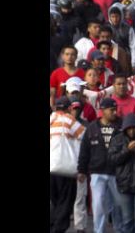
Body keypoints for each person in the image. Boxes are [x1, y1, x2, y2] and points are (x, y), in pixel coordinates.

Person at [77, 97, 123, 233]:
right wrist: (81, 170)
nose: (114, 112)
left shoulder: (122, 125)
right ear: (103, 110)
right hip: (97, 172)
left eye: (115, 109)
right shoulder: (92, 128)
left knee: (119, 205)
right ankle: (99, 231)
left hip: (117, 172)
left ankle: (119, 230)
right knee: (98, 206)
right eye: (111, 110)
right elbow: (84, 150)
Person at [50, 96, 85, 233]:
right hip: (66, 169)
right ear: (68, 108)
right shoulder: (68, 120)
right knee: (66, 201)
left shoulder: (51, 119)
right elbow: (84, 136)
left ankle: (54, 225)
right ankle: (58, 229)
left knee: (55, 200)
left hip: (51, 168)